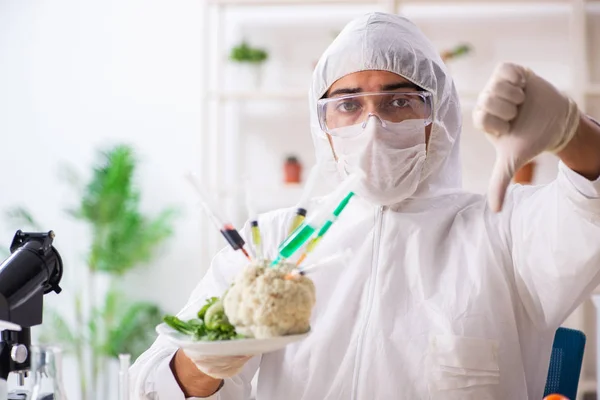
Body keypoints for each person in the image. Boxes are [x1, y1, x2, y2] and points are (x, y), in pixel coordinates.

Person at [131, 12, 600, 400]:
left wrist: (571, 131)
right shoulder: (271, 245)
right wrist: (205, 361)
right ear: (323, 123)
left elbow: (588, 208)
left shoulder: (505, 229)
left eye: (399, 101)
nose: (372, 126)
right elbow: (149, 385)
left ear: (438, 115)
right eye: (349, 104)